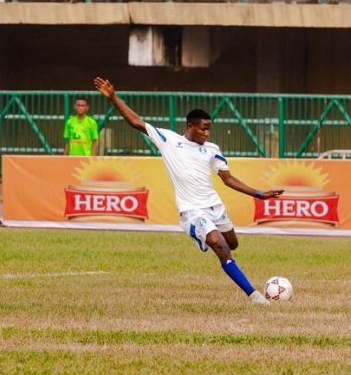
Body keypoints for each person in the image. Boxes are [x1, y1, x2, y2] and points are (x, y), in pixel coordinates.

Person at [93, 77, 283, 305]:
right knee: (221, 247)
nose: (207, 134)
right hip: (192, 211)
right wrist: (113, 97)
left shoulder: (212, 150)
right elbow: (136, 122)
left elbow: (227, 178)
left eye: (209, 130)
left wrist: (259, 194)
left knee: (232, 243)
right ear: (190, 127)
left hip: (214, 206)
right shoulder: (169, 141)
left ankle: (206, 236)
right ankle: (254, 296)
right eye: (203, 129)